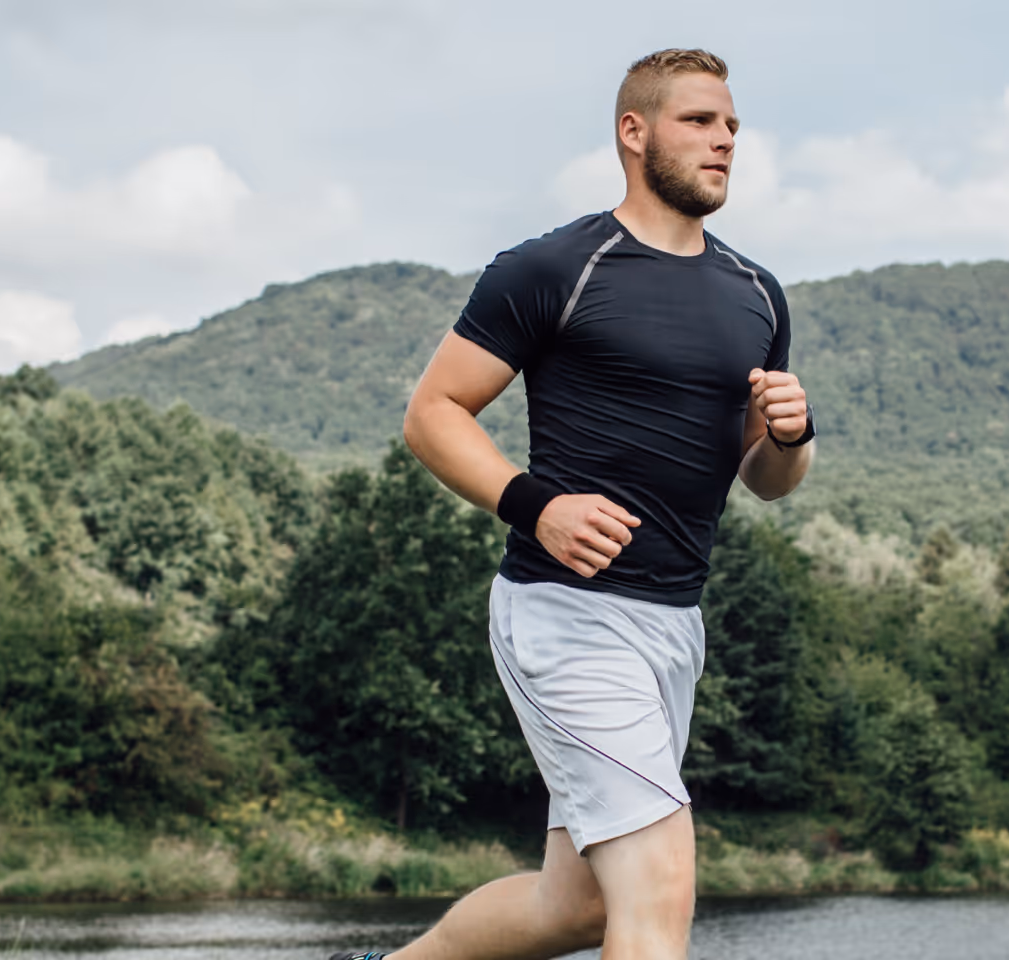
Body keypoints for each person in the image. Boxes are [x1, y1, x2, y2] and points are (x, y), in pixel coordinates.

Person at [333, 48, 812, 960]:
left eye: (732, 126)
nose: (724, 141)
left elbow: (766, 478)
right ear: (634, 132)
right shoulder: (555, 267)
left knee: (578, 906)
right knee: (660, 880)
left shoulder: (757, 294)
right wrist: (536, 506)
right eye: (699, 122)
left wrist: (792, 436)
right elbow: (433, 414)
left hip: (674, 626)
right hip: (567, 615)